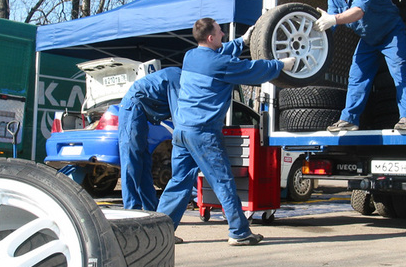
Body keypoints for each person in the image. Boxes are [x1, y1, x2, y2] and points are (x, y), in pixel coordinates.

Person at [156, 18, 295, 246]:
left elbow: (219, 54)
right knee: (222, 181)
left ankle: (160, 233)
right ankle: (239, 232)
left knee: (179, 182)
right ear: (210, 37)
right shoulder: (220, 65)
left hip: (181, 131)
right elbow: (252, 70)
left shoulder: (191, 56)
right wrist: (281, 65)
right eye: (221, 32)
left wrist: (242, 41)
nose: (223, 35)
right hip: (203, 133)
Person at [313, 0, 406, 131]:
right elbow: (330, 25)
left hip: (391, 33)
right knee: (357, 76)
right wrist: (314, 34)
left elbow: (357, 12)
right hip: (368, 39)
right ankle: (349, 119)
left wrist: (333, 19)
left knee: (400, 73)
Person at [118, 66, 181, 211]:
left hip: (141, 113)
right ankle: (132, 208)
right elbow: (179, 116)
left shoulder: (178, 77)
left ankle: (151, 208)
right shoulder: (178, 79)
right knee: (131, 160)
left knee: (144, 162)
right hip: (132, 109)